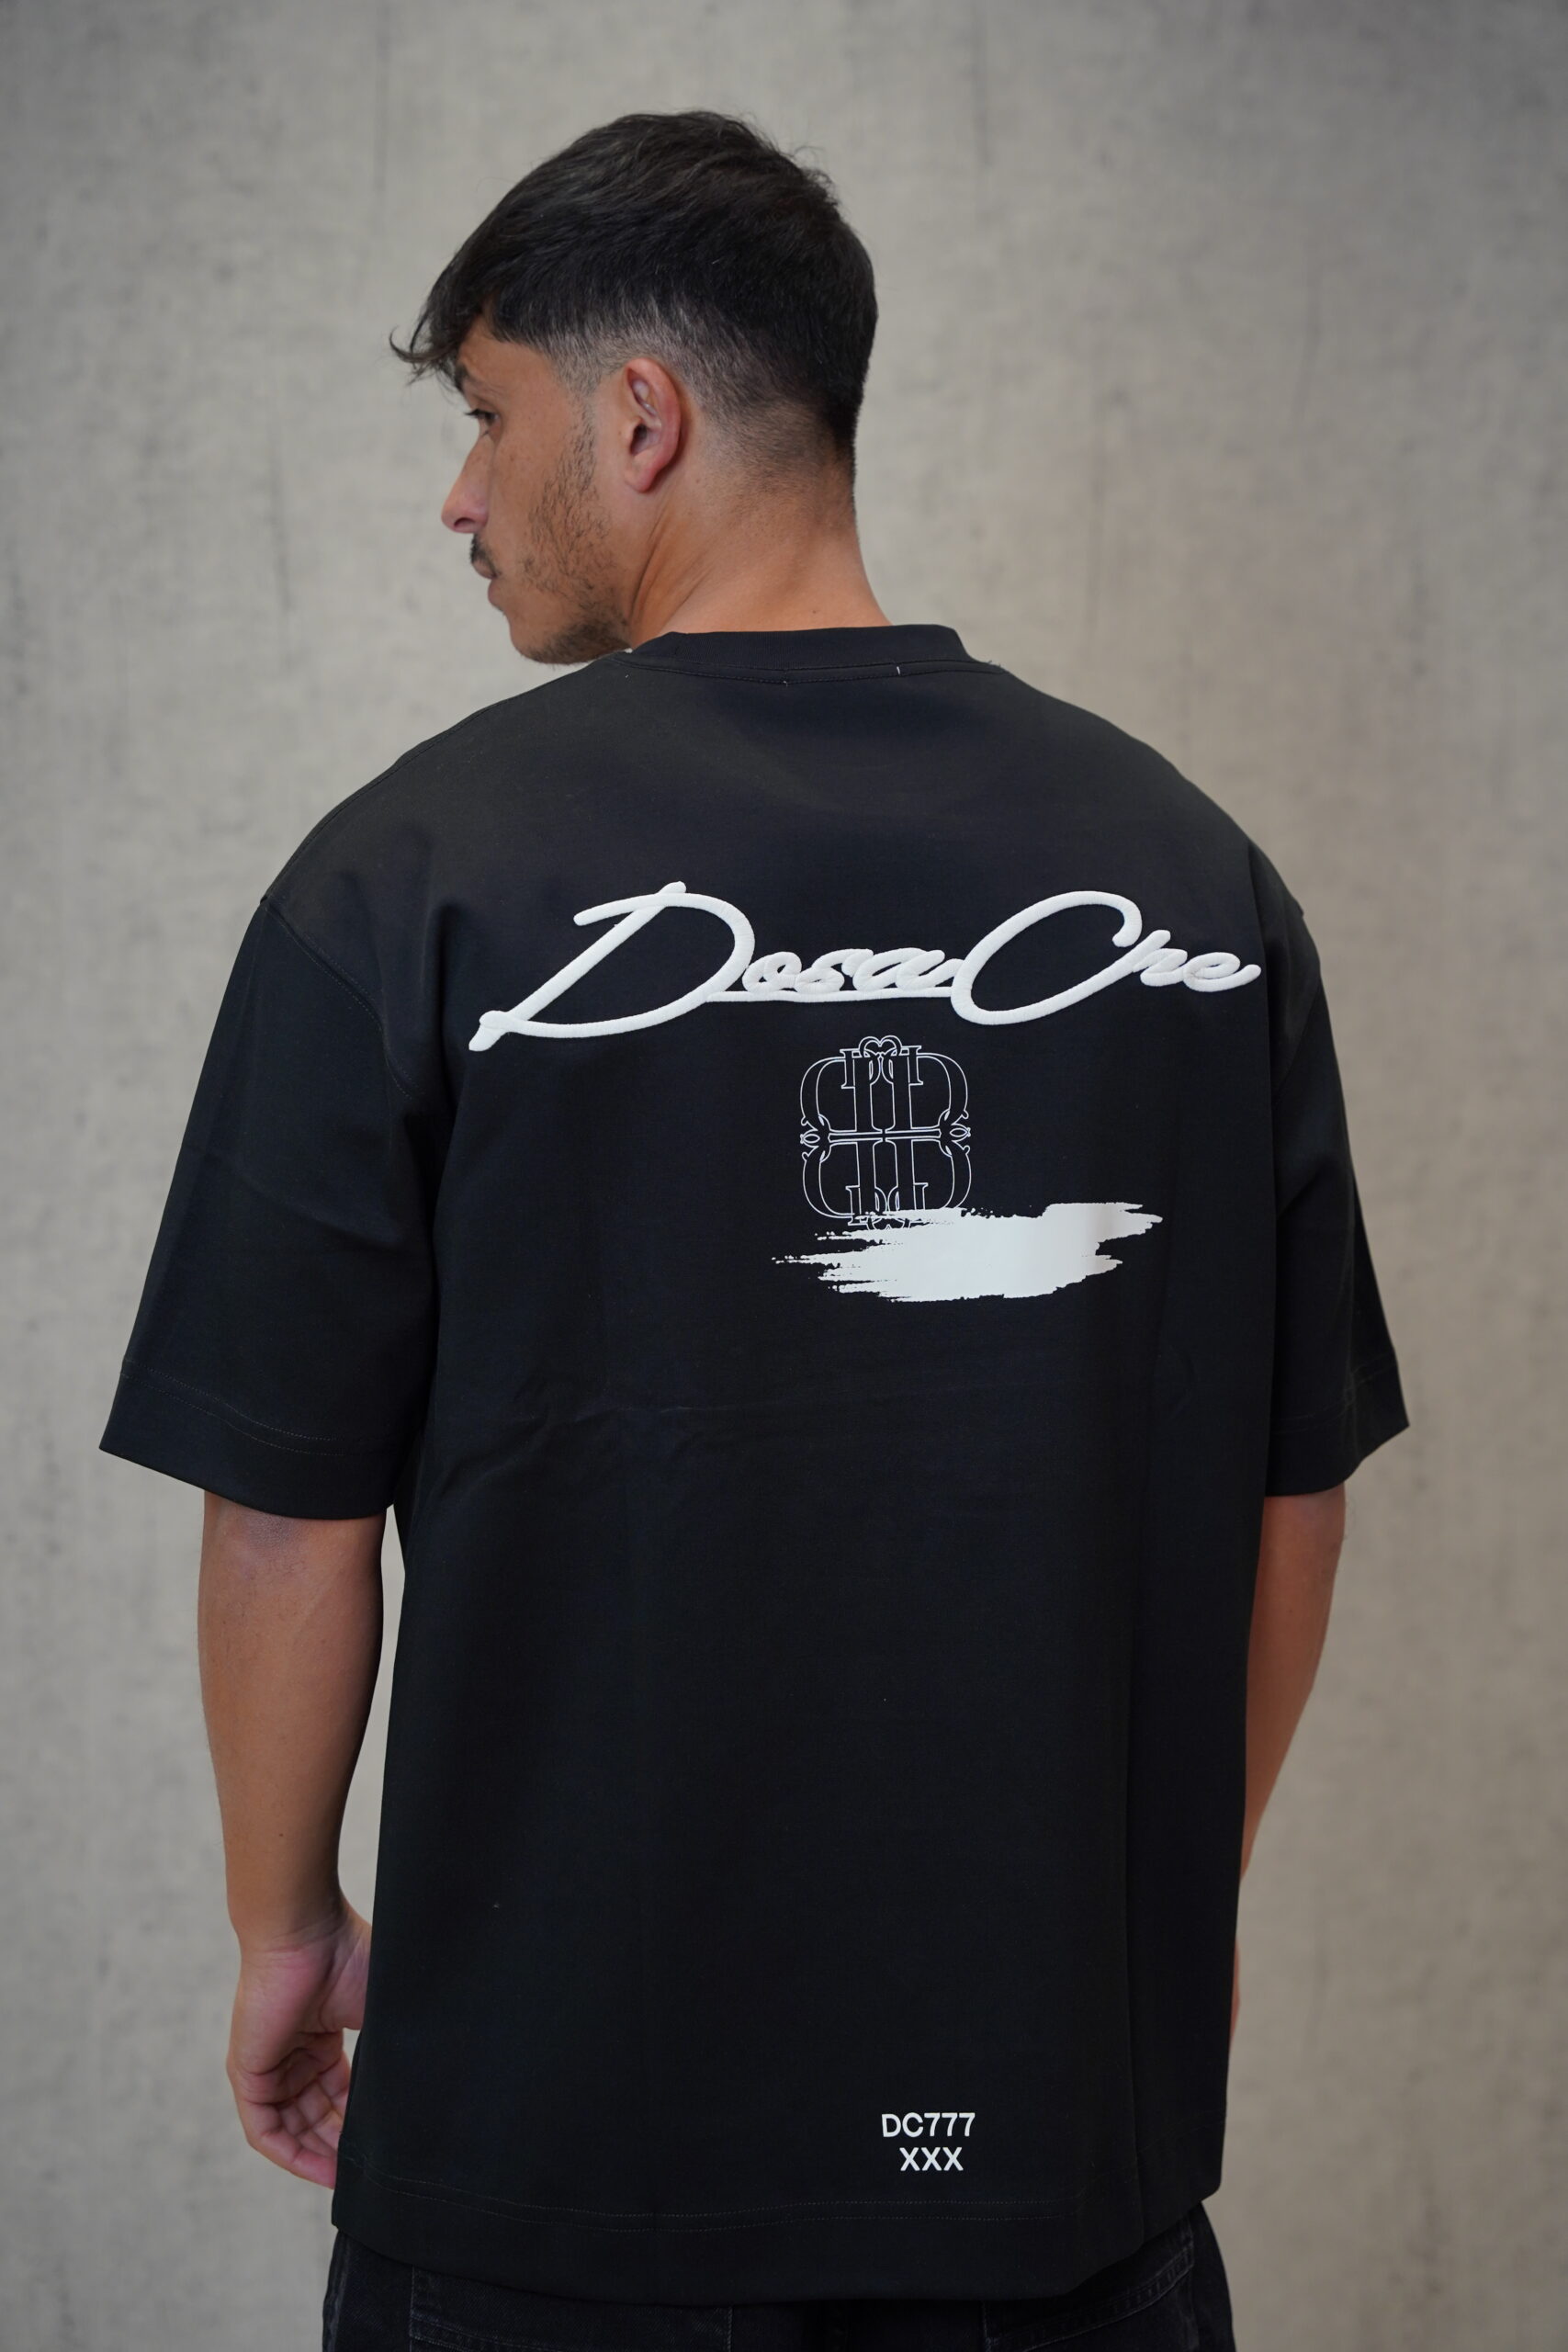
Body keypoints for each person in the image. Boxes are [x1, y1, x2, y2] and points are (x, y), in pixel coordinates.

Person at [98, 108, 1408, 2352]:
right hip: (1047, 2163)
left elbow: (283, 1514)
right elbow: (1287, 1488)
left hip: (549, 2185)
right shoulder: (1192, 880)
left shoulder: (403, 881)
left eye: (486, 415)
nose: (456, 495)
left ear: (637, 418)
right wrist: (1148, 1908)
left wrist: (285, 1926)